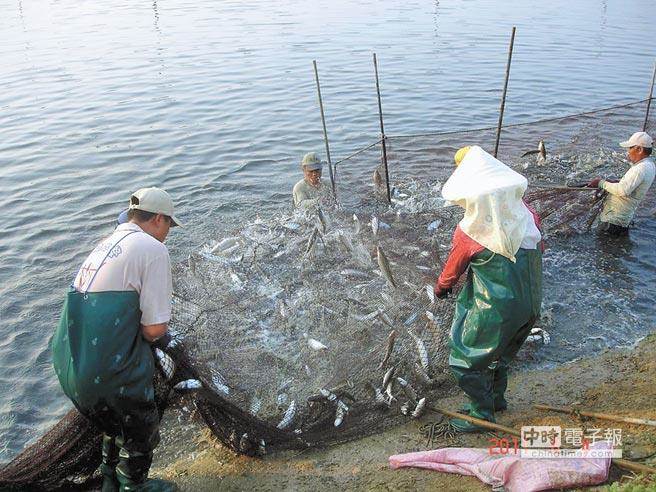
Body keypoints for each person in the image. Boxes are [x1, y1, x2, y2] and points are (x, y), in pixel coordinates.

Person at [51, 187, 182, 491]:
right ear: (159, 219)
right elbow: (154, 330)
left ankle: (111, 480)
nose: (168, 234)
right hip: (105, 374)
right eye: (169, 226)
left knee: (114, 423)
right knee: (140, 424)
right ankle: (134, 486)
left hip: (71, 368)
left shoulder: (105, 243)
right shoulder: (153, 249)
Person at [434, 146, 543, 433]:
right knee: (500, 354)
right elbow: (535, 249)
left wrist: (440, 290)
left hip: (498, 307)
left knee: (465, 360)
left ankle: (482, 414)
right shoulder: (528, 216)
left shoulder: (470, 229)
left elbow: (451, 273)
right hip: (530, 303)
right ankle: (495, 400)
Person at [587, 131, 655, 236]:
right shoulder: (650, 165)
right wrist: (616, 182)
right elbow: (630, 185)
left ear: (639, 149)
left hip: (613, 222)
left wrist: (600, 183)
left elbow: (622, 190)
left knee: (604, 249)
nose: (628, 152)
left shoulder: (640, 168)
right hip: (623, 221)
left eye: (630, 148)